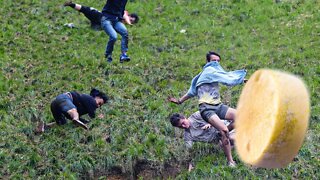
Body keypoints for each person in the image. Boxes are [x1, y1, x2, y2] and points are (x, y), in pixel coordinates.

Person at [168, 51, 247, 148]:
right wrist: (180, 101)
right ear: (207, 61)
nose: (216, 63)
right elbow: (192, 91)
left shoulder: (210, 73)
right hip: (208, 109)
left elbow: (225, 78)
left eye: (218, 61)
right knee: (233, 137)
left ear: (184, 118)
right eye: (214, 60)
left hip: (218, 108)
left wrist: (180, 101)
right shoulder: (206, 73)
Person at [170, 111, 236, 171]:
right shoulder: (187, 135)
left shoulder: (197, 115)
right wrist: (190, 165)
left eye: (183, 123)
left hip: (225, 128)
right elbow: (189, 151)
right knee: (223, 146)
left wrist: (210, 124)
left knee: (230, 137)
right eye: (181, 126)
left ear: (184, 117)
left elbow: (215, 114)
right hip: (219, 139)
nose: (184, 126)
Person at [36, 88, 108, 133]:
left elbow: (74, 117)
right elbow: (92, 114)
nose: (98, 106)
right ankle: (75, 118)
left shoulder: (83, 106)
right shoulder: (90, 99)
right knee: (73, 111)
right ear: (96, 97)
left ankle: (43, 127)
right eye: (99, 103)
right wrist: (97, 119)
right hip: (64, 99)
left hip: (55, 105)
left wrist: (86, 122)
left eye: (100, 106)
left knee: (61, 123)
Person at [63, 1, 139, 30]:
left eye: (132, 21)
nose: (130, 21)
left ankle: (71, 26)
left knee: (86, 30)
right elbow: (125, 15)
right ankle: (70, 4)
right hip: (100, 16)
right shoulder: (123, 13)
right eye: (131, 19)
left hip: (99, 25)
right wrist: (129, 22)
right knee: (85, 10)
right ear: (129, 15)